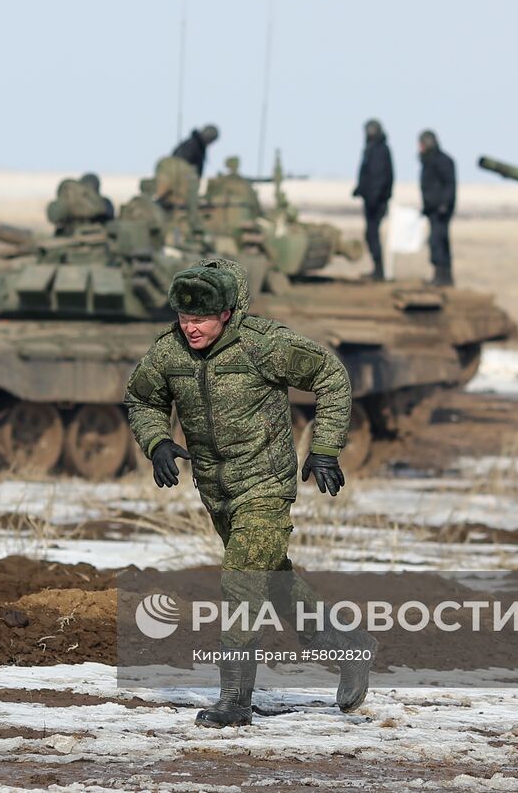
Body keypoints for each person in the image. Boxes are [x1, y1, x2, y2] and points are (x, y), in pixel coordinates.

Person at [125, 258, 376, 729]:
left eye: (200, 319)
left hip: (265, 486)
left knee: (241, 581)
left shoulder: (264, 345)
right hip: (216, 491)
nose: (190, 328)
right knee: (274, 583)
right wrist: (156, 440)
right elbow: (142, 396)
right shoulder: (168, 351)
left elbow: (331, 375)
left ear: (225, 313)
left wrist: (323, 449)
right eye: (183, 317)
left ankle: (235, 700)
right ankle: (351, 646)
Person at [353, 119, 393, 281]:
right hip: (371, 199)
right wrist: (360, 189)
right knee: (370, 234)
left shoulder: (379, 150)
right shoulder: (372, 149)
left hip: (376, 202)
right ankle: (377, 270)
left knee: (372, 234)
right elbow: (368, 174)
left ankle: (379, 271)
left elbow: (379, 178)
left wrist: (374, 198)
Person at [418, 130, 456, 286]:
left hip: (441, 210)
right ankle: (440, 276)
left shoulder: (442, 161)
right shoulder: (429, 161)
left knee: (438, 241)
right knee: (436, 241)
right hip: (432, 209)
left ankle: (443, 277)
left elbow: (449, 185)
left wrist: (444, 205)